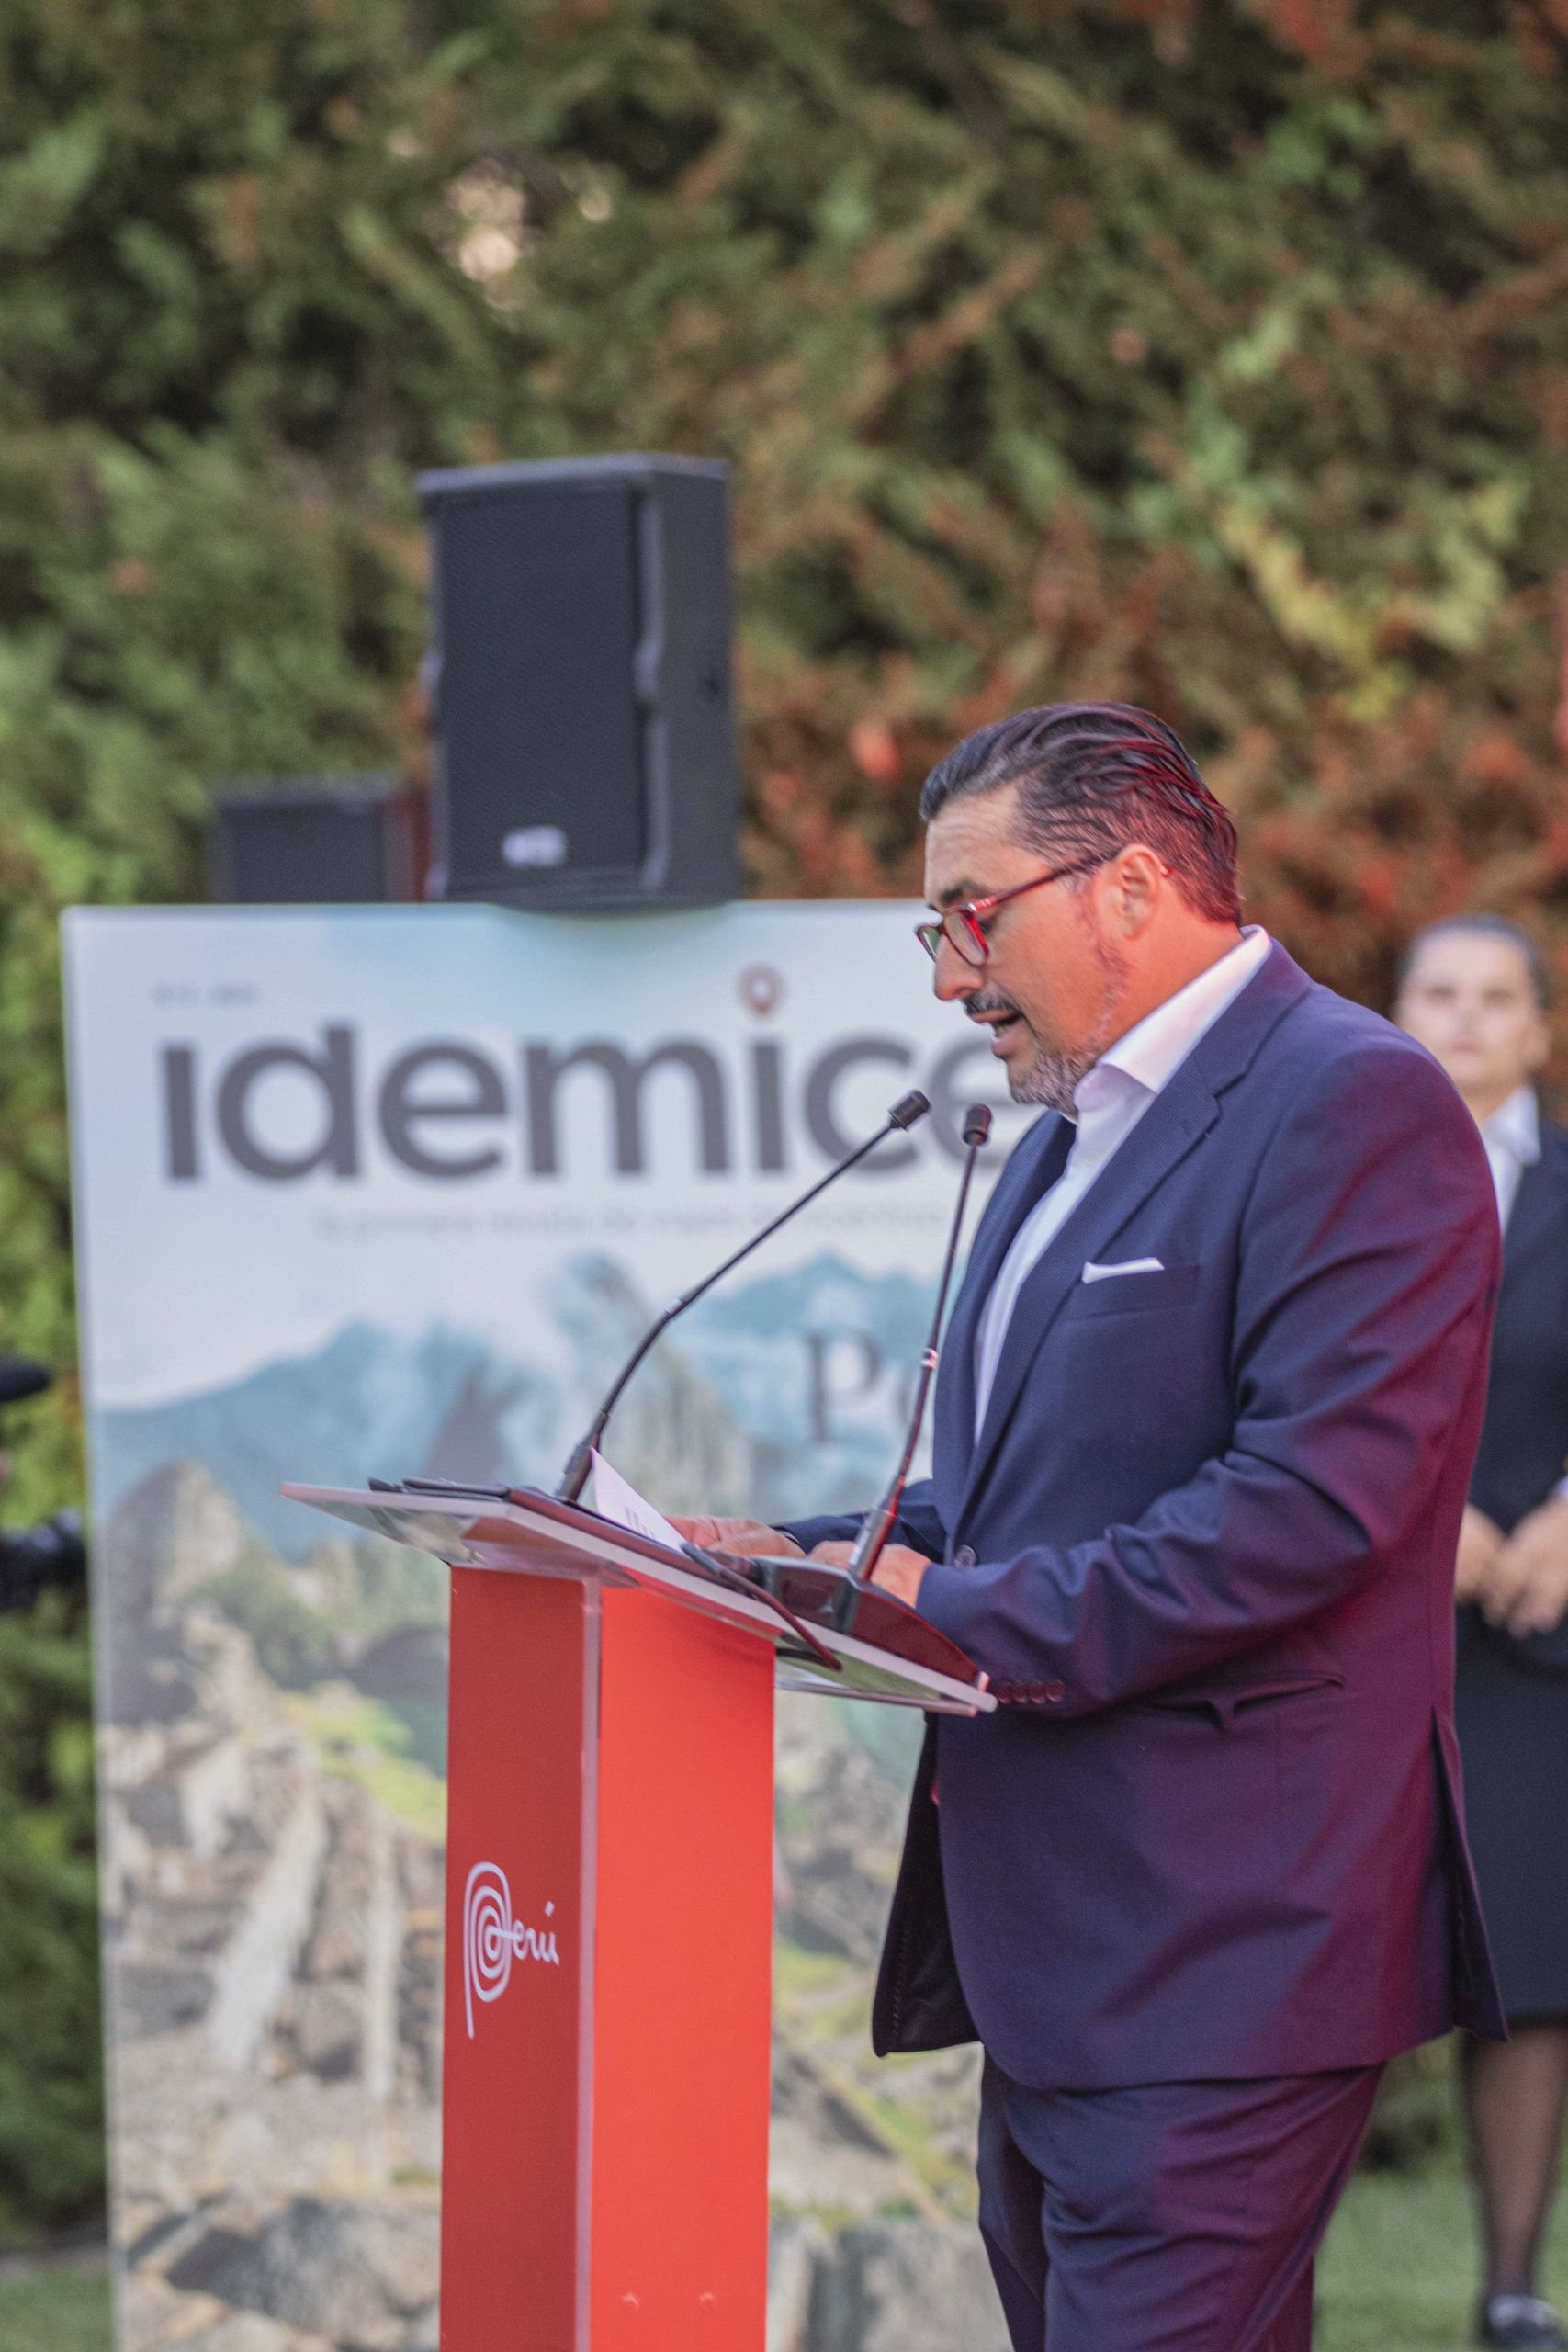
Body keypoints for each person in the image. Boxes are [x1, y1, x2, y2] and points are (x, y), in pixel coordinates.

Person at [677, 701, 1505, 2352]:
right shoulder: (1067, 1132)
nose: (949, 978)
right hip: (1062, 1949)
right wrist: (785, 1554)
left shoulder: (1354, 1100)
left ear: (1130, 885)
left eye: (969, 918)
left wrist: (941, 1614)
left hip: (1226, 1946)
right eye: (936, 929)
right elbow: (1024, 1496)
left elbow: (1309, 1511)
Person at [1395, 915, 1568, 2352]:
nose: (1465, 1019)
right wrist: (1415, 1520)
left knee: (1530, 1973)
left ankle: (1511, 2290)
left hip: (1535, 1648)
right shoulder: (1339, 1185)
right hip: (1372, 1631)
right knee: (1330, 1966)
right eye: (1437, 994)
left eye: (1495, 997)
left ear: (1541, 1031)